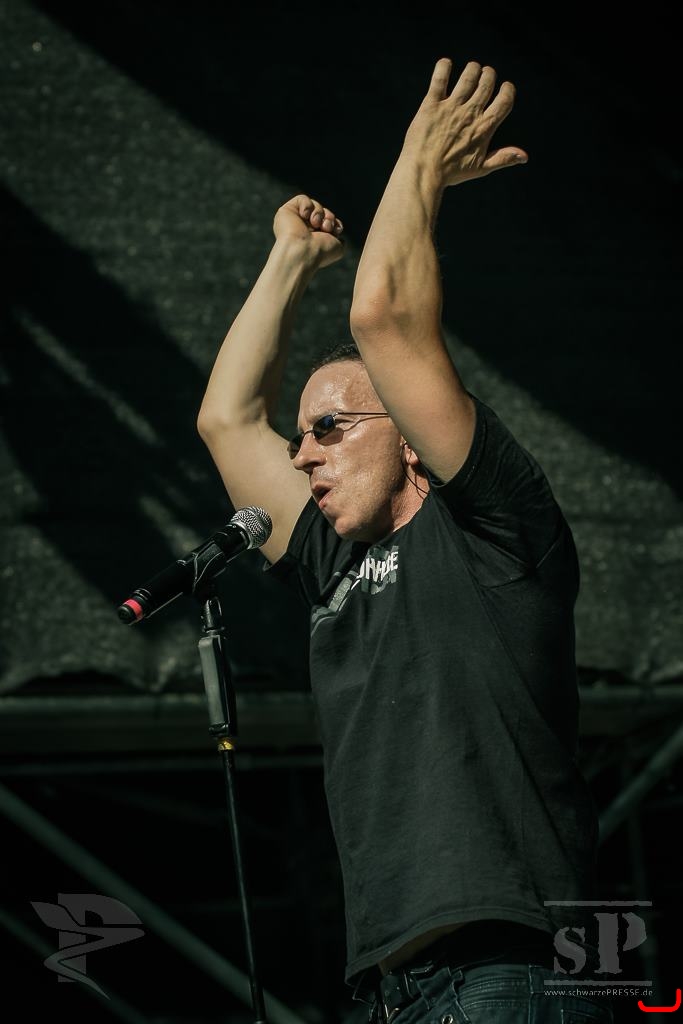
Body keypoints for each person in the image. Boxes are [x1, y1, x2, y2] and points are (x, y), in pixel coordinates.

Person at [198, 57, 612, 1024]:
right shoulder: (336, 560)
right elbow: (227, 420)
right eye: (301, 438)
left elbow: (384, 317)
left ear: (413, 439)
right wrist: (291, 260)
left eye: (329, 428)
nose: (303, 454)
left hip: (517, 962)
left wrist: (419, 164)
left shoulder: (496, 528)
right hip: (394, 986)